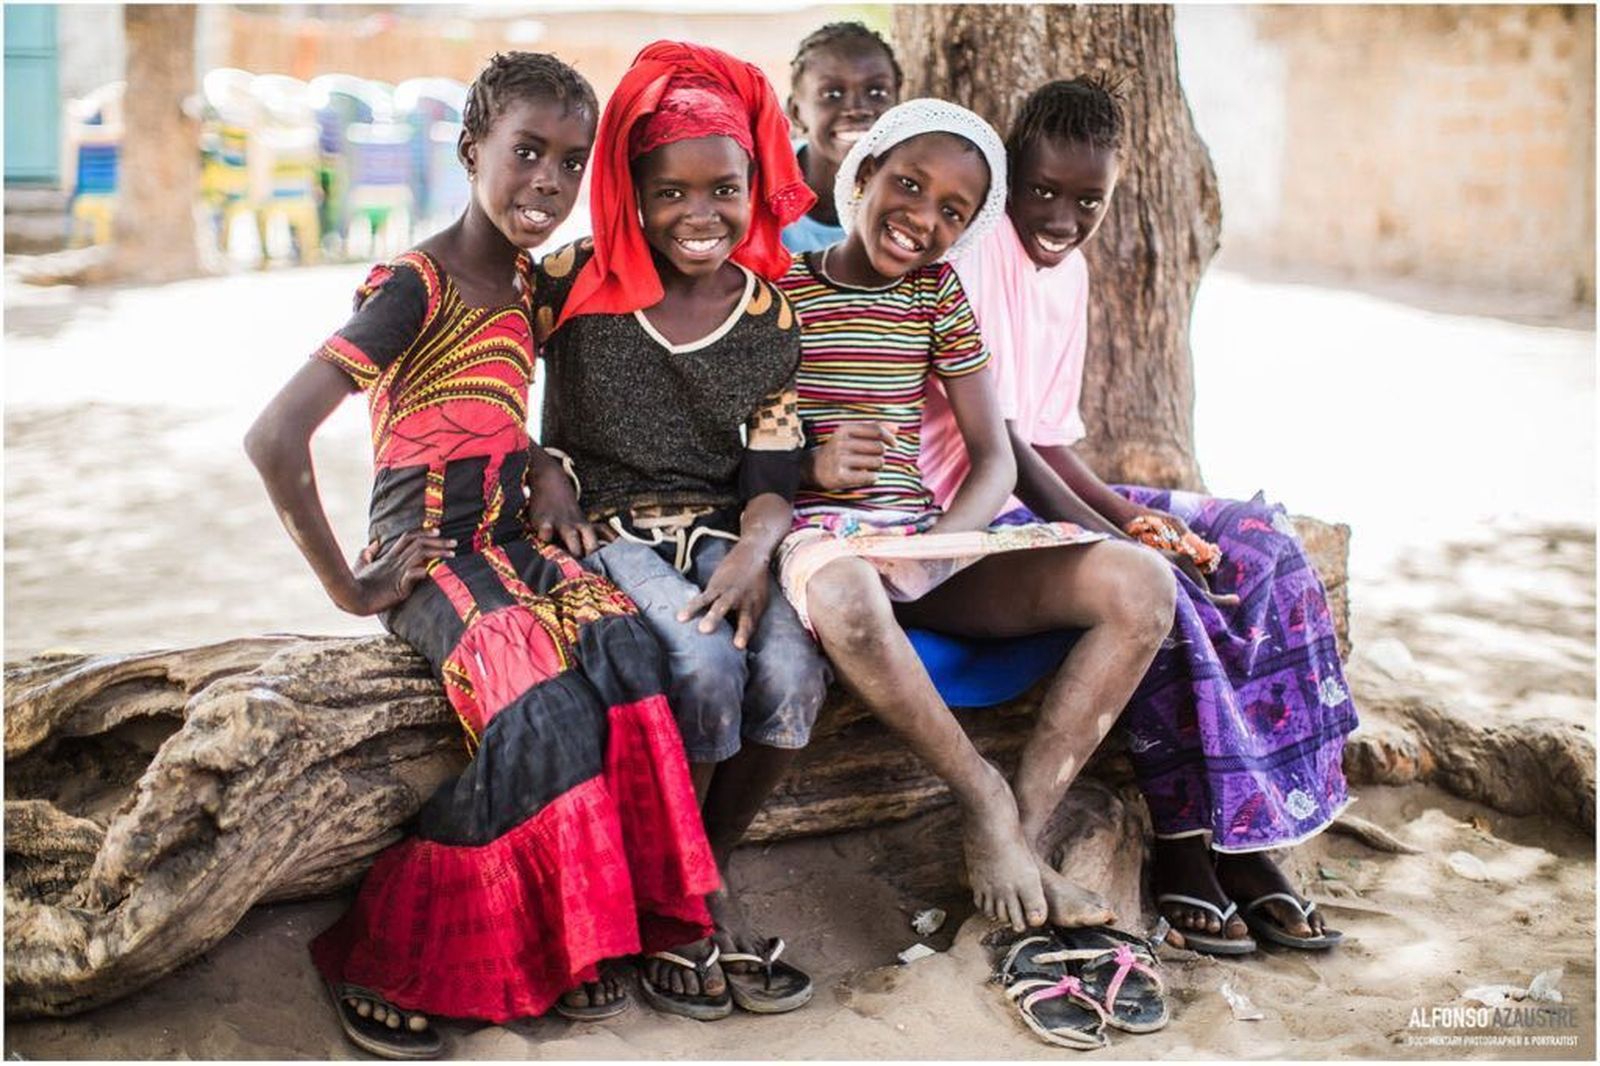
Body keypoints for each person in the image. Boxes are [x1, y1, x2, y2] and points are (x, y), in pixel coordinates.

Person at [245, 53, 720, 1058]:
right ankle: (397, 948)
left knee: (634, 658)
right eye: (526, 154)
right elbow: (275, 436)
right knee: (539, 709)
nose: (547, 182)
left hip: (509, 544)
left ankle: (594, 934)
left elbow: (494, 413)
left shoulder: (519, 280)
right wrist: (352, 583)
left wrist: (546, 463)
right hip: (429, 561)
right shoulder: (413, 288)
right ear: (473, 153)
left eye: (570, 162)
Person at [918, 76, 1356, 953]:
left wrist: (1135, 512)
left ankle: (1258, 831)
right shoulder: (977, 258)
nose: (1062, 216)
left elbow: (1054, 435)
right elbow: (1005, 448)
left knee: (1260, 548)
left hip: (1041, 494)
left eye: (1088, 200)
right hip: (975, 519)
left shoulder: (1069, 272)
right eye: (1041, 191)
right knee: (1160, 587)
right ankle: (1190, 844)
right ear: (1010, 181)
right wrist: (1120, 535)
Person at [774, 98, 1178, 935]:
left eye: (951, 211)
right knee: (850, 597)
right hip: (819, 541)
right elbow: (740, 449)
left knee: (1141, 584)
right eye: (909, 186)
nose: (922, 219)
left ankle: (1020, 833)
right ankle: (982, 795)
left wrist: (941, 546)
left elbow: (996, 457)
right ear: (865, 173)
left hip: (922, 534)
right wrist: (808, 463)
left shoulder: (938, 298)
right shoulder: (778, 296)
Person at [524, 40, 825, 1017]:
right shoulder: (574, 281)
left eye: (725, 189)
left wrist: (754, 546)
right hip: (604, 529)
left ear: (753, 184)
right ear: (633, 193)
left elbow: (775, 476)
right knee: (702, 667)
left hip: (722, 530)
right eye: (671, 194)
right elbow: (492, 376)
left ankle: (706, 871)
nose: (701, 217)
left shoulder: (769, 316)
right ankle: (677, 901)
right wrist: (542, 470)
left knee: (791, 673)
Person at [780, 20, 902, 254]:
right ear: (796, 112)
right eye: (832, 94)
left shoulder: (912, 191)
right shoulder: (759, 189)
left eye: (877, 92)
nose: (857, 109)